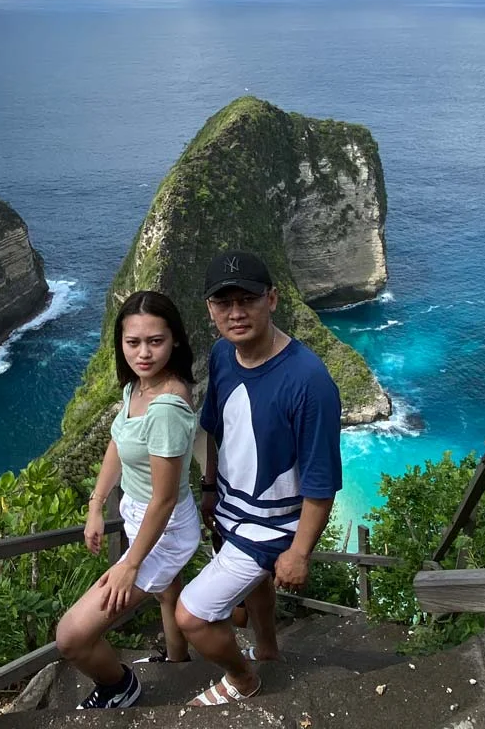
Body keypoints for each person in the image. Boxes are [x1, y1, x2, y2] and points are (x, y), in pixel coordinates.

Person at [175, 251, 343, 706]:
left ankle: (243, 680)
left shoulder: (309, 381)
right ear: (209, 310)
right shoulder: (221, 355)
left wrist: (299, 553)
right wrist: (210, 487)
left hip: (273, 526)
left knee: (191, 615)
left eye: (247, 299)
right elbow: (217, 428)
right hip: (232, 508)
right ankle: (267, 649)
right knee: (258, 588)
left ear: (271, 299)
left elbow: (322, 480)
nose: (236, 313)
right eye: (223, 302)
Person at [55, 290, 201, 710]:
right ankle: (177, 661)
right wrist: (96, 503)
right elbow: (119, 441)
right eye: (133, 342)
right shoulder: (136, 388)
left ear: (175, 340)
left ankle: (119, 685)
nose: (143, 353)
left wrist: (129, 566)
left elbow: (165, 499)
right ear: (120, 342)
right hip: (139, 517)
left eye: (155, 341)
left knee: (72, 636)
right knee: (167, 591)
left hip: (165, 531)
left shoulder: (166, 408)